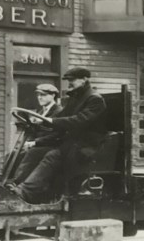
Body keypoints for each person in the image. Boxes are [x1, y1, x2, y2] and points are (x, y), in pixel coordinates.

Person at [9, 67, 107, 203]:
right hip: (71, 143)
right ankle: (15, 186)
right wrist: (39, 126)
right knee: (34, 152)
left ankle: (26, 192)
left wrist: (51, 120)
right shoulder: (75, 97)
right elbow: (62, 119)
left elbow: (80, 120)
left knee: (53, 155)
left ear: (84, 79)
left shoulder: (95, 99)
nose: (69, 84)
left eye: (72, 80)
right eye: (68, 81)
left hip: (86, 146)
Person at [8, 83, 62, 185]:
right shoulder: (42, 111)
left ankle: (17, 184)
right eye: (38, 95)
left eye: (43, 95)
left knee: (32, 153)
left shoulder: (59, 111)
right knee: (15, 153)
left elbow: (57, 135)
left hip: (52, 146)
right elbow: (37, 129)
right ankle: (6, 180)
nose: (39, 97)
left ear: (53, 95)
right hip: (40, 144)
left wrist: (35, 142)